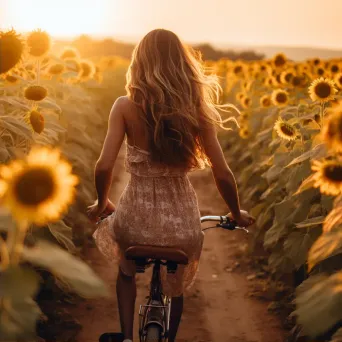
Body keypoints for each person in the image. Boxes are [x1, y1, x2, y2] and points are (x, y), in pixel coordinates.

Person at [87, 28, 255, 342]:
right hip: (182, 227)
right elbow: (222, 174)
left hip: (134, 222)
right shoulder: (196, 111)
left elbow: (104, 166)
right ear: (182, 65)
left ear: (139, 62)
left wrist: (101, 204)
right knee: (174, 287)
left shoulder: (124, 106)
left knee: (125, 270)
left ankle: (125, 336)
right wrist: (236, 212)